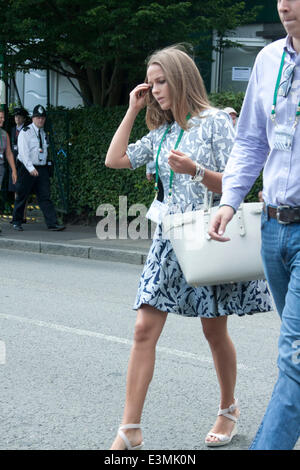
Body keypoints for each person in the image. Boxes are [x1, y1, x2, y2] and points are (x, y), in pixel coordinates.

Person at [105, 45, 272, 450]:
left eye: (162, 81)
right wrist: (132, 109)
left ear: (181, 79)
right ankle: (129, 430)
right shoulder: (162, 134)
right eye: (152, 82)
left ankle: (228, 408)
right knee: (143, 328)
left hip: (208, 236)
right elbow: (116, 159)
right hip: (169, 240)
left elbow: (238, 184)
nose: (157, 89)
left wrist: (195, 171)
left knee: (214, 330)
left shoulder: (216, 123)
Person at [209, 0, 300, 450]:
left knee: (296, 358)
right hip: (274, 229)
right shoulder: (269, 60)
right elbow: (250, 140)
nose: (285, 4)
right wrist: (229, 200)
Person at [12, 105, 65, 232]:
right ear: (33, 118)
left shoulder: (44, 133)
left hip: (41, 168)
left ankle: (52, 223)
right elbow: (23, 153)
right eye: (38, 118)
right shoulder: (26, 132)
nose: (40, 120)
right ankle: (17, 222)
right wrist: (30, 168)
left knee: (45, 196)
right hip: (26, 167)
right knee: (22, 195)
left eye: (42, 118)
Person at [9, 107, 30, 222]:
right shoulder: (13, 130)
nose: (17, 118)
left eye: (19, 116)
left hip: (23, 163)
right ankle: (16, 216)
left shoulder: (27, 130)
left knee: (23, 190)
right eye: (16, 116)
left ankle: (23, 216)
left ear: (24, 119)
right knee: (15, 189)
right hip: (14, 163)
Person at [0, 109, 18, 233]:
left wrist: (14, 170)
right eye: (0, 117)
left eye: (3, 117)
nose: (3, 119)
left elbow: (9, 153)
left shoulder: (4, 134)